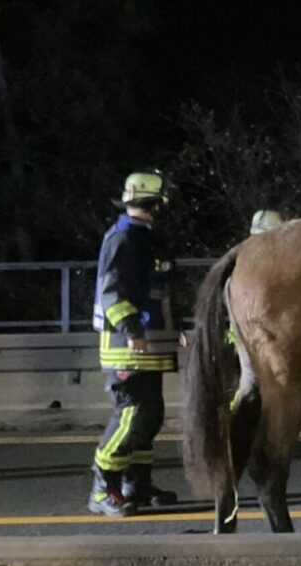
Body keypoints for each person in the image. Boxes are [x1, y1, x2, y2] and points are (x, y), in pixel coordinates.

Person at [89, 171, 181, 517]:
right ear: (154, 202)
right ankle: (103, 488)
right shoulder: (124, 238)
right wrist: (131, 329)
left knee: (149, 418)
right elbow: (112, 290)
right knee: (131, 416)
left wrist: (177, 330)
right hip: (127, 347)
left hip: (149, 345)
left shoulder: (144, 237)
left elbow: (159, 290)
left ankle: (136, 484)